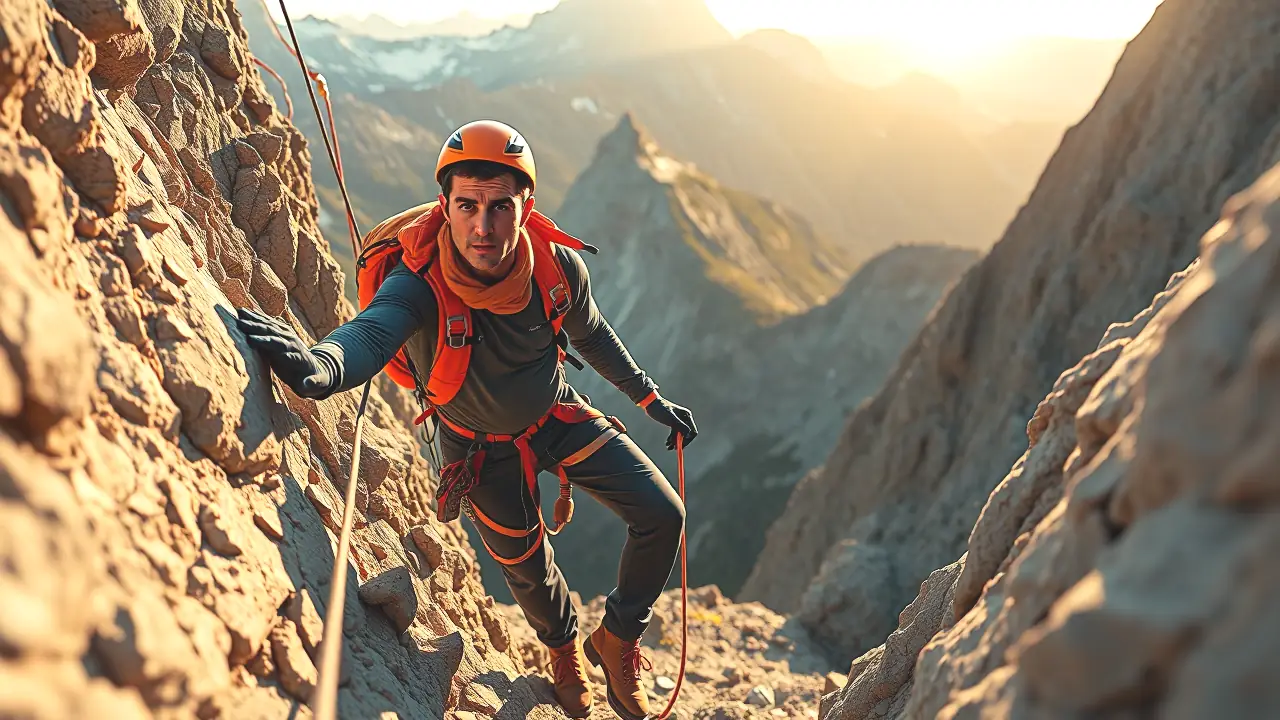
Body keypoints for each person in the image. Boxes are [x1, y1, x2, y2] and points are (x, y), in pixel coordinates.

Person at [236, 119, 696, 719]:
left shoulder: (555, 268)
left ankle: (615, 639)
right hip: (477, 449)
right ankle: (563, 654)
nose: (483, 226)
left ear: (525, 207)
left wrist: (649, 397)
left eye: (500, 207)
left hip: (555, 415)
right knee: (529, 569)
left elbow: (591, 333)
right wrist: (322, 367)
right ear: (445, 207)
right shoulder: (419, 281)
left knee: (663, 513)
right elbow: (373, 331)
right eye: (468, 206)